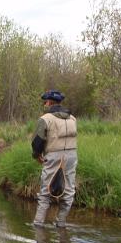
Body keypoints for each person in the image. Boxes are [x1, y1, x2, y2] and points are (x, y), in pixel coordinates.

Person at [31, 90, 78, 227]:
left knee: (45, 192)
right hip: (71, 156)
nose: (44, 105)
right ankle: (61, 223)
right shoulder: (73, 119)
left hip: (52, 156)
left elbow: (37, 141)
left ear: (49, 102)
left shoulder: (45, 119)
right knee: (69, 191)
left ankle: (38, 225)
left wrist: (36, 155)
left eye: (45, 102)